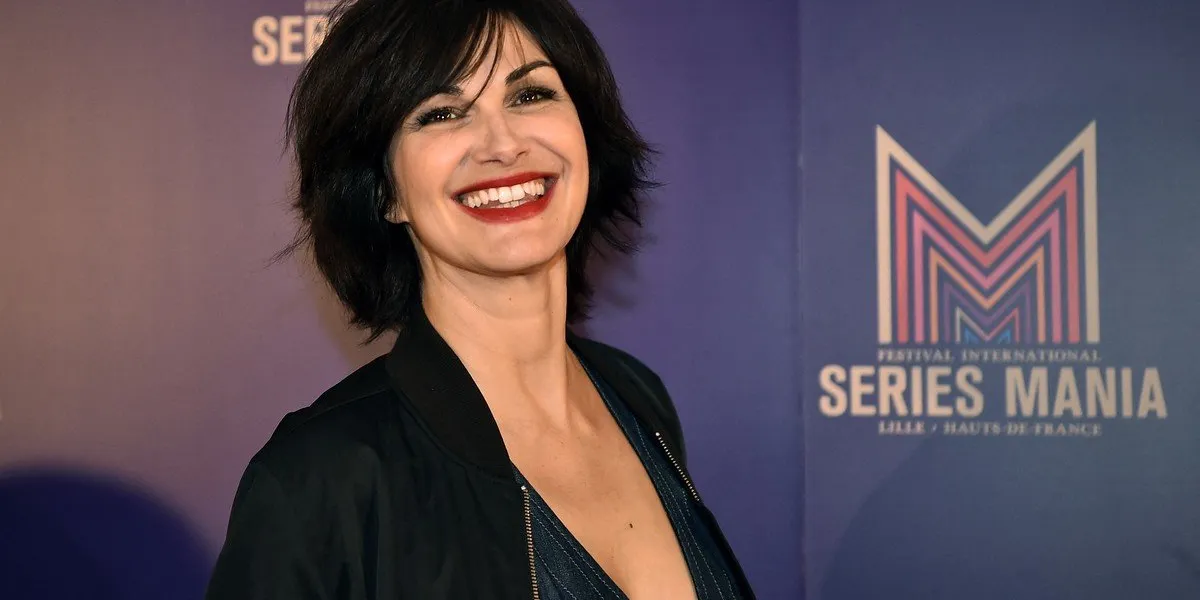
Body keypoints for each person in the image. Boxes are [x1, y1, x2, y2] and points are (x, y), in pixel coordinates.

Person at [205, 0, 753, 598]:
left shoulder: (637, 396)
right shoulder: (321, 476)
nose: (502, 143)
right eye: (442, 113)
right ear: (387, 192)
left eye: (529, 96)